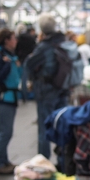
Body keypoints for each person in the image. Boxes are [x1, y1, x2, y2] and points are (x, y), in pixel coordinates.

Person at [25, 13, 69, 159]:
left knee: (44, 126)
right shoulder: (64, 42)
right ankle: (63, 160)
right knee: (61, 124)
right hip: (64, 87)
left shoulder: (43, 46)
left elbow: (29, 65)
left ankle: (43, 161)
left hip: (46, 90)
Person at [0, 28, 21, 175]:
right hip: (1, 99)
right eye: (13, 38)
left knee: (6, 131)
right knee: (5, 132)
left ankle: (3, 160)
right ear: (6, 40)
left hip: (8, 98)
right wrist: (7, 64)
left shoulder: (8, 55)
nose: (16, 41)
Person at [15, 23, 36, 101]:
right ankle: (33, 94)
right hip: (30, 59)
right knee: (32, 78)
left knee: (23, 79)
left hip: (21, 60)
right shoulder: (31, 37)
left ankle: (24, 96)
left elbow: (16, 50)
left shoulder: (18, 38)